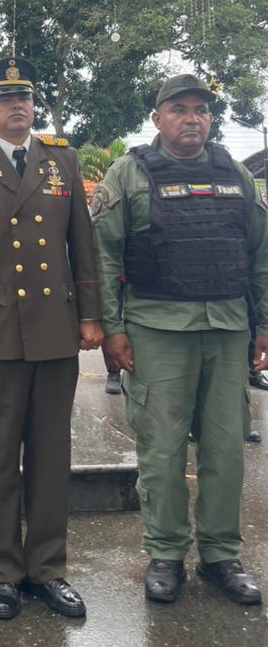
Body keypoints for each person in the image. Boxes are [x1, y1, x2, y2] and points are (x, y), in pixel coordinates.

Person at [0, 57, 103, 622]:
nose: (17, 107)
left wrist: (90, 315)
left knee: (53, 456)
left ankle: (49, 570)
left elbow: (82, 244)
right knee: (2, 458)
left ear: (34, 107)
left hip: (57, 330)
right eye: (5, 99)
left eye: (25, 98)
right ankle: (4, 574)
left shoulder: (62, 160)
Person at [93, 74, 268, 607]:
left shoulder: (235, 173)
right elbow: (102, 256)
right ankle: (165, 553)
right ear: (157, 118)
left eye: (201, 110)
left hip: (227, 330)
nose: (192, 118)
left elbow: (260, 251)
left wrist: (263, 325)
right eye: (179, 109)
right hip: (157, 330)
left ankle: (220, 556)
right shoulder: (130, 173)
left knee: (224, 449)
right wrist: (112, 330)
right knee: (162, 450)